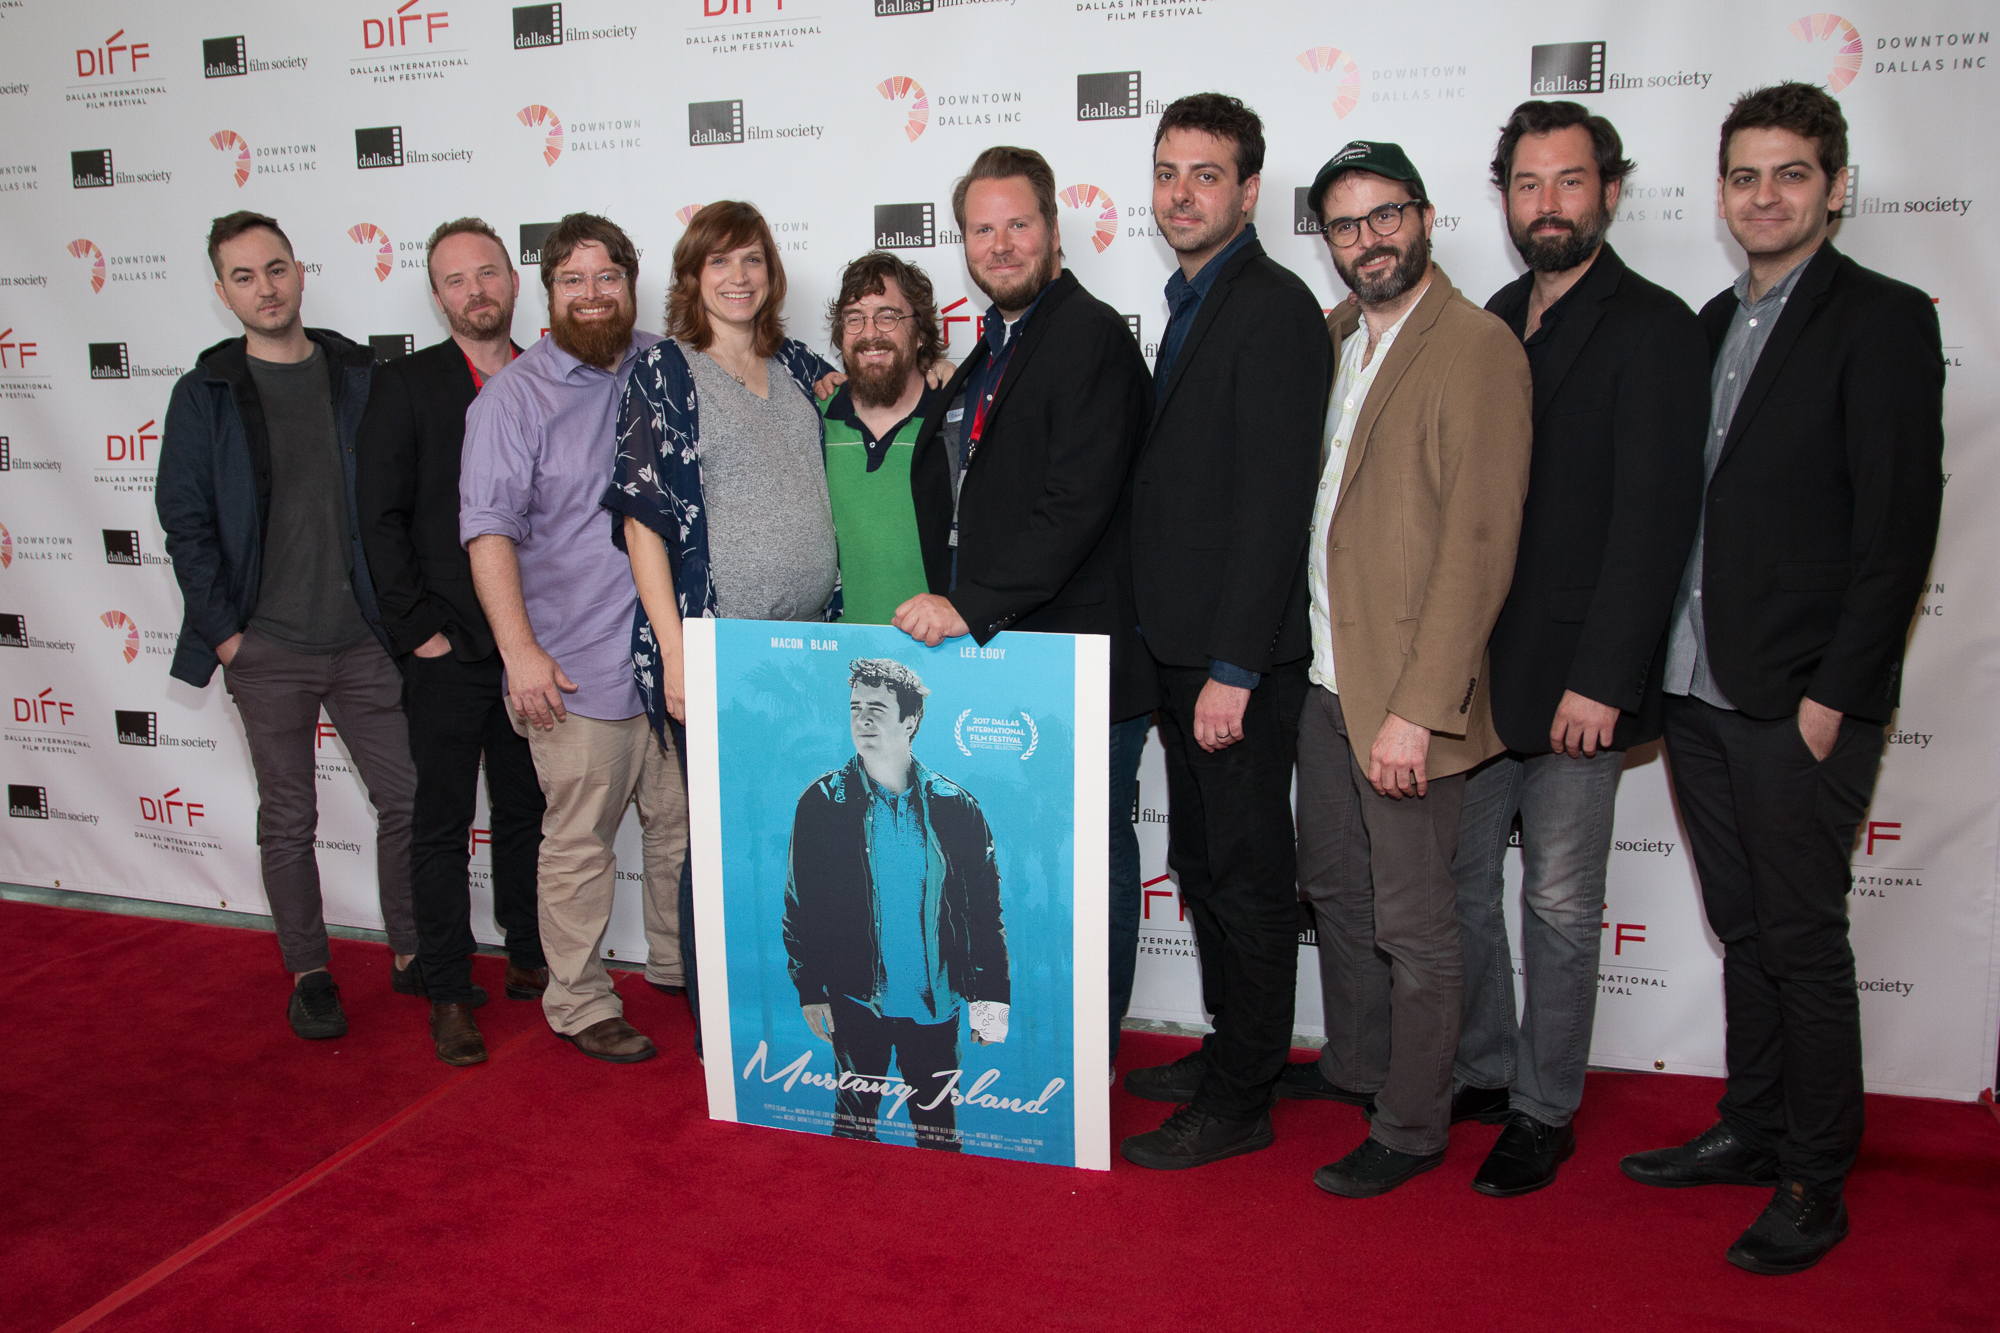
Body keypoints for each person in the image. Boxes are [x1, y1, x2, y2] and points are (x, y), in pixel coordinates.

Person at [1621, 83, 1943, 1276]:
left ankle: (1815, 1174)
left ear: (1834, 186)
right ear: (1718, 194)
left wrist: (1833, 696)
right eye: (1744, 176)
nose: (1764, 195)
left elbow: (1895, 532)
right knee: (1740, 923)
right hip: (1697, 690)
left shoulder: (1882, 320)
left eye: (1790, 174)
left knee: (1799, 938)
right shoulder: (1707, 321)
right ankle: (1752, 1128)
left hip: (1797, 698)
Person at [1445, 103, 1708, 1194]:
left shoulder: (1654, 327)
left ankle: (1545, 1107)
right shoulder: (1492, 316)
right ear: (1501, 195)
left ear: (1608, 190)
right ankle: (1487, 1066)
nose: (1544, 204)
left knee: (1555, 903)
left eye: (1567, 183)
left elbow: (1653, 523)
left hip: (1573, 687)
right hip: (1471, 676)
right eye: (1525, 184)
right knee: (1459, 891)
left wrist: (1604, 676)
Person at [1290, 141, 1531, 1199]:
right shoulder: (1336, 336)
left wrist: (1418, 713)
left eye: (1383, 216)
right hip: (1322, 678)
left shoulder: (1474, 347)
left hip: (1403, 698)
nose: (1365, 240)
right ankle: (1356, 1064)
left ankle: (1414, 1120)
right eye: (1343, 225)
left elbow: (1477, 545)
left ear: (1423, 217)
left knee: (1416, 920)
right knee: (1337, 892)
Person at [894, 146, 1154, 1065]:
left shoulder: (1086, 337)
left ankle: (1093, 1051)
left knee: (1088, 857)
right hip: (1014, 650)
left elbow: (1077, 502)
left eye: (1019, 224)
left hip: (1077, 653)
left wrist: (972, 605)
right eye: (981, 228)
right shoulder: (996, 346)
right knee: (1023, 861)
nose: (1000, 244)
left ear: (1053, 229)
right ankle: (1038, 1031)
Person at [1120, 95, 1332, 1169]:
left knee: (1246, 877)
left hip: (1230, 665)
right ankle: (1231, 1047)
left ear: (1248, 190)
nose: (1181, 193)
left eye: (1205, 174)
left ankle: (1244, 1097)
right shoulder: (1193, 300)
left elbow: (1270, 505)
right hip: (1180, 649)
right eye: (1167, 172)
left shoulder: (1273, 307)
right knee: (1203, 866)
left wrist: (1234, 669)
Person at [157, 210, 417, 1041]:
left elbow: (396, 498)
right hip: (266, 647)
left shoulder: (360, 374)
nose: (263, 288)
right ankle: (310, 972)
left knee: (409, 798)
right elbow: (184, 522)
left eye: (274, 269)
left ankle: (414, 954)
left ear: (300, 272)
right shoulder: (204, 393)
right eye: (242, 276)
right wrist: (229, 637)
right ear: (223, 290)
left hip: (364, 640)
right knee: (288, 816)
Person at [604, 200, 847, 1044]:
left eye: (751, 260)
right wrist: (677, 652)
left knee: (809, 834)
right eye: (719, 263)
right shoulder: (666, 372)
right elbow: (641, 521)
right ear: (692, 279)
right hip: (722, 648)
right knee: (725, 844)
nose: (738, 277)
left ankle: (799, 1005)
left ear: (771, 273)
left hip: (818, 645)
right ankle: (722, 1028)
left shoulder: (803, 364)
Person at [461, 212, 686, 1065]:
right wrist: (520, 653)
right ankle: (580, 998)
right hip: (579, 670)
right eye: (574, 281)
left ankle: (674, 964)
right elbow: (487, 532)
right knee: (581, 845)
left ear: (632, 284)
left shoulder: (664, 364)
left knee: (678, 833)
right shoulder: (513, 399)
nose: (594, 295)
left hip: (669, 666)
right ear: (546, 294)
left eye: (609, 278)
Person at [356, 217, 554, 1067]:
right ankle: (445, 987)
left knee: (528, 812)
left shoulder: (557, 376)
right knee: (440, 821)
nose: (475, 291)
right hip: (447, 649)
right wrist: (418, 633)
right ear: (437, 297)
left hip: (539, 647)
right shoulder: (403, 388)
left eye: (488, 273)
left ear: (514, 281)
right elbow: (376, 521)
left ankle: (528, 954)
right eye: (455, 280)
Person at [782, 658, 1009, 1150]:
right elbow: (801, 904)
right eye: (855, 708)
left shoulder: (956, 805)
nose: (862, 719)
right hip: (856, 997)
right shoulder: (821, 803)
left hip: (937, 1004)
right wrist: (810, 988)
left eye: (877, 709)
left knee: (938, 1133)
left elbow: (983, 910)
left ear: (910, 720)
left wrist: (991, 1000)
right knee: (853, 1127)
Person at [818, 251, 949, 626]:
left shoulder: (957, 418)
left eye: (887, 316)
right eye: (854, 319)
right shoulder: (813, 417)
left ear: (920, 332)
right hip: (834, 663)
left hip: (942, 656)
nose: (870, 333)